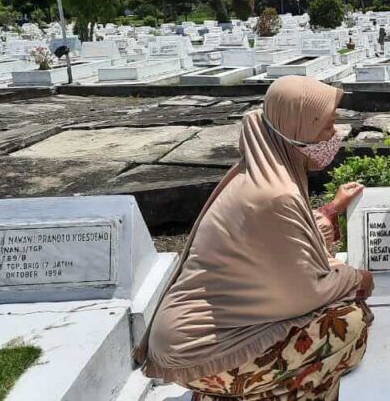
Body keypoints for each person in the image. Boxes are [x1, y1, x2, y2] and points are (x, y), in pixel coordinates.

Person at [134, 76, 373, 401]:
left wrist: (332, 209)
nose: (334, 135)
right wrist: (355, 278)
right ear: (299, 127)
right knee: (350, 321)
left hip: (188, 341)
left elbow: (289, 242)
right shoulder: (275, 194)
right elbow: (303, 292)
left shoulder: (263, 173)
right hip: (199, 353)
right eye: (327, 126)